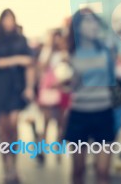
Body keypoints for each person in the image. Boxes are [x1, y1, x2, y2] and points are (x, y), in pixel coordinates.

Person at [64, 8, 115, 184]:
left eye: (95, 21)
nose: (93, 25)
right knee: (78, 170)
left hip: (104, 112)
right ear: (78, 27)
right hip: (80, 114)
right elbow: (67, 86)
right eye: (88, 21)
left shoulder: (107, 51)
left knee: (103, 171)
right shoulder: (71, 55)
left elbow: (114, 82)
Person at [0, 9, 35, 184]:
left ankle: (14, 167)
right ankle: (6, 168)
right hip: (0, 89)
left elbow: (30, 63)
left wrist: (29, 87)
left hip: (16, 89)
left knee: (14, 127)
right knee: (3, 131)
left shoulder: (21, 40)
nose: (8, 22)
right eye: (5, 19)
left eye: (11, 19)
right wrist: (17, 60)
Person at [37, 29, 70, 164]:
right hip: (48, 93)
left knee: (60, 124)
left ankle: (58, 150)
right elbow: (41, 68)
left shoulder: (66, 53)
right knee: (46, 122)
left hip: (62, 92)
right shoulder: (47, 52)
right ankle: (42, 150)